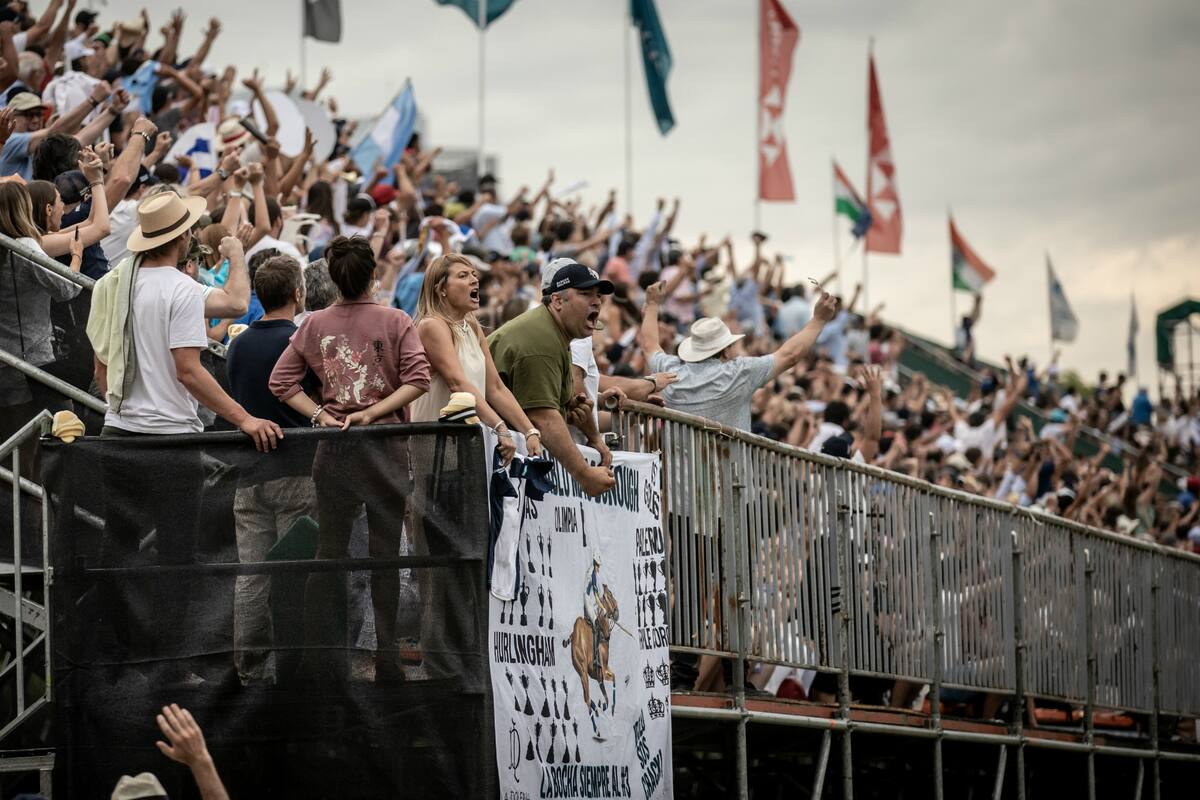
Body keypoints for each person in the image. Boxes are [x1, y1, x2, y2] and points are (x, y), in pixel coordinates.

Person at [85, 191, 281, 674]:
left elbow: (100, 367)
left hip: (119, 435)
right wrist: (245, 418)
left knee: (119, 549)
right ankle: (167, 663)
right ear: (184, 237)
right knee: (177, 558)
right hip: (170, 443)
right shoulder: (181, 290)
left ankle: (117, 658)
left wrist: (125, 406)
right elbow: (191, 369)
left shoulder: (114, 283)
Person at [269, 235, 431, 681]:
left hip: (335, 450)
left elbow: (281, 383)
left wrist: (322, 414)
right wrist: (375, 413)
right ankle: (386, 658)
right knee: (384, 557)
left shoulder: (314, 323)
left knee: (329, 555)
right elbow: (418, 378)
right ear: (372, 275)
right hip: (385, 450)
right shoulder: (396, 319)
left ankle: (319, 656)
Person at [225, 255, 316, 684]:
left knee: (253, 575)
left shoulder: (238, 344)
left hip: (249, 475)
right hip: (298, 473)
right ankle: (295, 671)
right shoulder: (303, 339)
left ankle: (251, 671)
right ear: (298, 293)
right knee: (296, 576)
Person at [488, 260, 616, 497]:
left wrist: (570, 411)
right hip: (475, 453)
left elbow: (546, 408)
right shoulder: (541, 340)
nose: (596, 301)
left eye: (598, 295)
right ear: (557, 301)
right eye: (585, 293)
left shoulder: (555, 333)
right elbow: (543, 417)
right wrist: (584, 474)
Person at [639, 281, 838, 432]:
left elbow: (649, 345)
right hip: (730, 480)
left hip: (680, 478)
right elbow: (790, 355)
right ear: (725, 350)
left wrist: (653, 304)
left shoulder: (669, 372)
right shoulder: (739, 372)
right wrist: (819, 320)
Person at [413, 252, 543, 460]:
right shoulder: (432, 325)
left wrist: (530, 431)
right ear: (441, 289)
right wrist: (500, 427)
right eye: (463, 275)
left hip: (465, 442)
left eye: (474, 274)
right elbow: (459, 384)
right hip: (434, 445)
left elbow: (495, 388)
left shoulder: (472, 325)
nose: (474, 280)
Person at [0, 180, 81, 475]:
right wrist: (76, 255)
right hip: (33, 364)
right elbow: (68, 289)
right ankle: (35, 516)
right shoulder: (24, 246)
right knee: (42, 448)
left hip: (8, 362)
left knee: (13, 451)